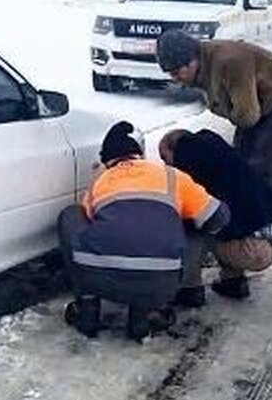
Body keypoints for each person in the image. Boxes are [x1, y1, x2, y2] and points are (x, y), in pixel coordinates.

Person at [58, 121, 231, 341]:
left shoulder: (99, 182)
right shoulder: (171, 176)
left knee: (72, 215)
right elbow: (219, 218)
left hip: (99, 279)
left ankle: (87, 307)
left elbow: (95, 226)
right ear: (139, 155)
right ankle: (147, 312)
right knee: (199, 221)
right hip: (162, 281)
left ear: (107, 162)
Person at [155, 31, 272, 218]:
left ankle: (269, 223)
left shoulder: (229, 62)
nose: (175, 79)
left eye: (176, 72)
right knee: (244, 166)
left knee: (270, 174)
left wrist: (219, 107)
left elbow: (247, 116)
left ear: (191, 60)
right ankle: (248, 216)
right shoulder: (205, 63)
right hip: (260, 109)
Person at [159, 128, 272, 299]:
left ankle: (189, 289)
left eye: (164, 157)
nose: (166, 166)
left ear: (174, 147)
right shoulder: (217, 151)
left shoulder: (187, 161)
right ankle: (232, 281)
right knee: (223, 217)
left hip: (249, 249)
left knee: (194, 222)